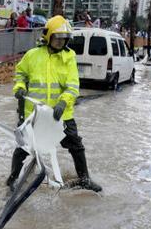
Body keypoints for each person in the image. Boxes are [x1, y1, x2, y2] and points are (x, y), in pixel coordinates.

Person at [8, 15, 101, 192]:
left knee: (76, 145)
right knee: (24, 148)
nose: (60, 43)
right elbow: (20, 75)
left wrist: (63, 103)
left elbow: (73, 86)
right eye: (57, 38)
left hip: (61, 115)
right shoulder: (32, 55)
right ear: (48, 36)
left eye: (64, 39)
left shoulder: (69, 58)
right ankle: (12, 180)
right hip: (35, 115)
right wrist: (19, 88)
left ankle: (84, 179)